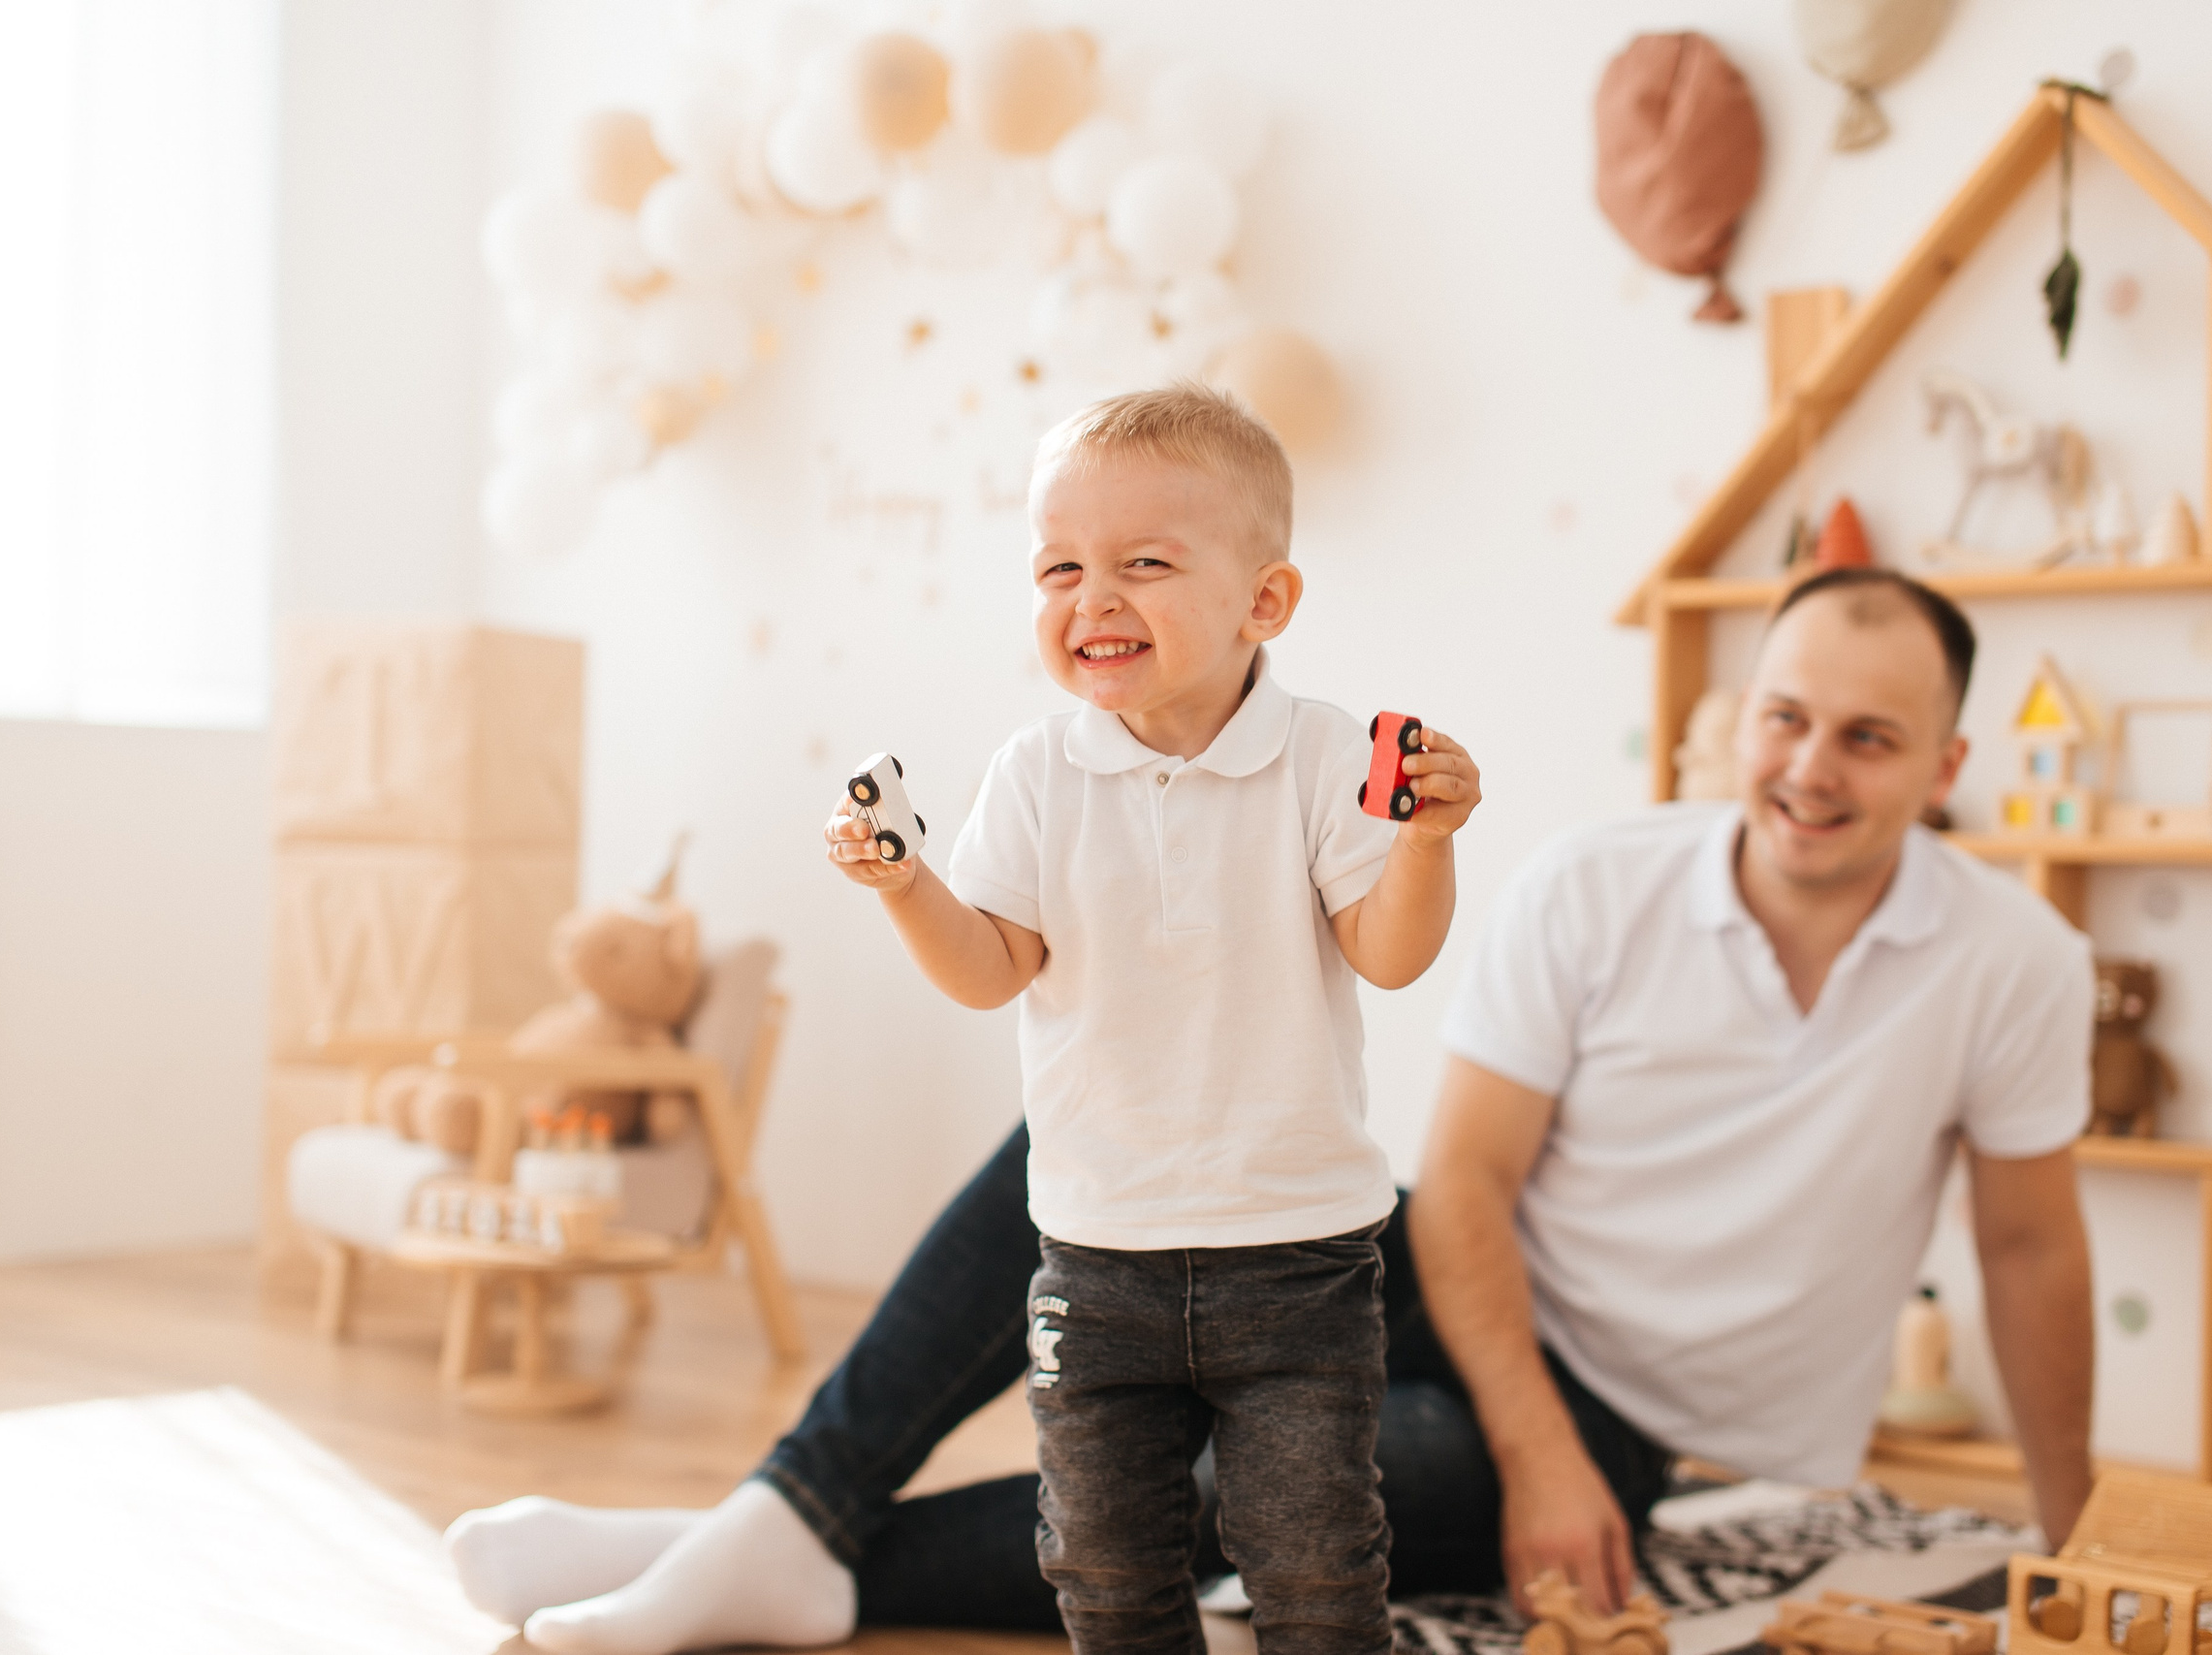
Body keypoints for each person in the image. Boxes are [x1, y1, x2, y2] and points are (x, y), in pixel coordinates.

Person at [449, 565, 2095, 1651]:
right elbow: (1458, 1191)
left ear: (1946, 763)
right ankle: (783, 1507)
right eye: (1787, 715)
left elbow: (2029, 1252)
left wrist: (2085, 1528)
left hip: (1624, 1418)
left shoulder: (2013, 961)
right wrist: (1530, 1444)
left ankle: (737, 1554)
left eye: (1869, 739)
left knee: (1243, 1500)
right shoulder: (1600, 885)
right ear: (1744, 713)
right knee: (1099, 1138)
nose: (1811, 764)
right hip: (1412, 1266)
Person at [502, 383, 1484, 1655]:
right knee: (1103, 1565)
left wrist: (1425, 845)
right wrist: (908, 885)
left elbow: (1391, 956)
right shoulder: (1039, 772)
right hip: (1094, 1252)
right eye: (1059, 567)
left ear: (1265, 602)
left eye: (1145, 563)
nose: (1094, 597)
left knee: (1312, 1563)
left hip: (1294, 1262)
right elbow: (989, 967)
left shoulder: (1322, 758)